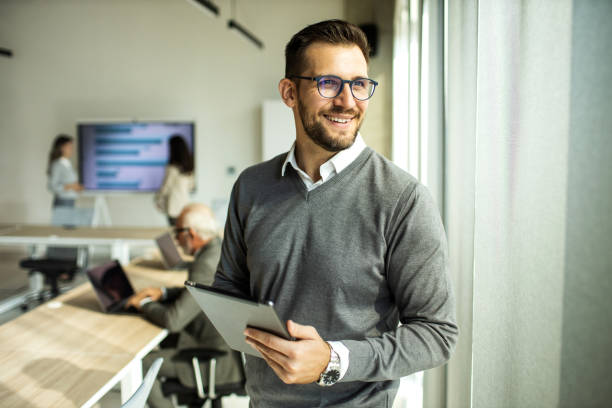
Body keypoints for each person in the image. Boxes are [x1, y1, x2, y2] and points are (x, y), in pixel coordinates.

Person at [213, 19, 458, 407]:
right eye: (328, 83)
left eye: (359, 84)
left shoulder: (403, 198)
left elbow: (436, 335)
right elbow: (228, 292)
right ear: (289, 92)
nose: (348, 101)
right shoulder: (252, 186)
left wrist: (334, 360)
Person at [126, 203, 243, 408]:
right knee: (163, 345)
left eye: (177, 232)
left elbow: (174, 320)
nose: (176, 240)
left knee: (141, 366)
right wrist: (163, 293)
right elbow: (199, 290)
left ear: (191, 233)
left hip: (213, 357)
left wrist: (143, 304)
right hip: (221, 348)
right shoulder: (216, 249)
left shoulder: (206, 262)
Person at [154, 135, 195, 226]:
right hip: (185, 207)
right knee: (181, 234)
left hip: (173, 209)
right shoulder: (189, 168)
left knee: (174, 235)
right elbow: (191, 186)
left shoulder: (172, 168)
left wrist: (156, 199)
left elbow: (165, 188)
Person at [47, 134, 83, 208]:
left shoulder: (68, 164)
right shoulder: (57, 165)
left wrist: (77, 187)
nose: (71, 150)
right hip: (62, 202)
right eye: (69, 147)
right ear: (62, 148)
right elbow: (52, 186)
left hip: (70, 201)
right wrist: (70, 186)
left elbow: (72, 183)